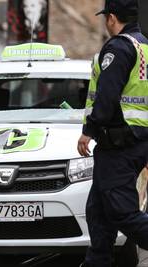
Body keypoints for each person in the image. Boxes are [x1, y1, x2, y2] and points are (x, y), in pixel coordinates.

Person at [77, 0, 148, 266]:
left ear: (112, 18)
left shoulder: (119, 48)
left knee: (121, 212)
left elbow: (107, 97)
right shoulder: (144, 46)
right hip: (134, 141)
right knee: (98, 212)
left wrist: (89, 131)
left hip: (119, 143)